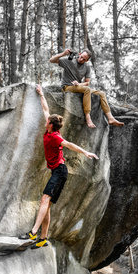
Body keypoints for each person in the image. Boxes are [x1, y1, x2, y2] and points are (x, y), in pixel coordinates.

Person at [19, 84, 99, 249]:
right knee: (46, 207)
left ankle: (33, 232)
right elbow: (46, 109)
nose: (45, 119)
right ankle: (42, 239)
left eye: (47, 121)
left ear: (50, 125)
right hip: (56, 171)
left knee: (44, 199)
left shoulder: (55, 137)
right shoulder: (49, 130)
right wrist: (41, 94)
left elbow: (69, 144)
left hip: (60, 172)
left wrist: (85, 152)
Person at [49, 48, 124, 129]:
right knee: (86, 89)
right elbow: (51, 60)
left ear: (87, 60)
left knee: (101, 93)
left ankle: (110, 118)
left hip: (78, 86)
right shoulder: (69, 60)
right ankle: (88, 117)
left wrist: (79, 84)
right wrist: (63, 53)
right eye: (81, 57)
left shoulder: (87, 66)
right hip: (67, 87)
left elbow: (87, 82)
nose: (81, 59)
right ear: (80, 53)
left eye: (84, 59)